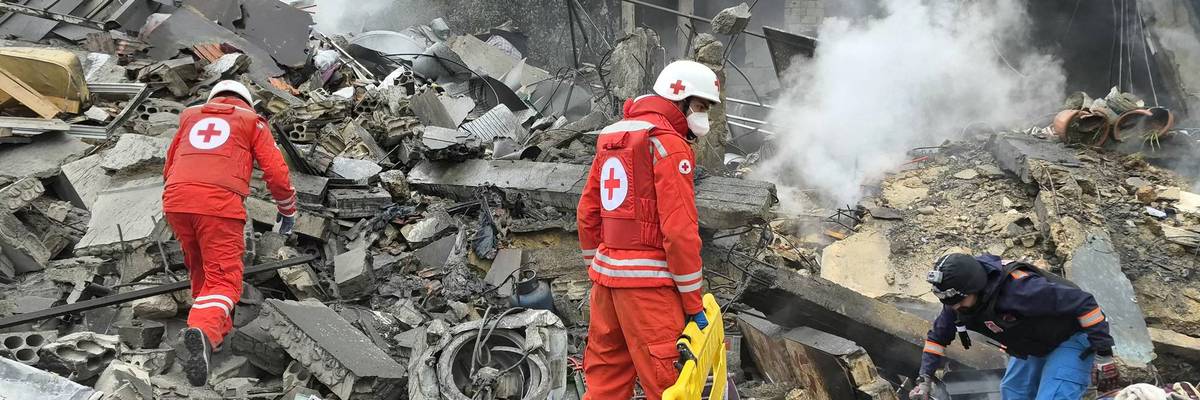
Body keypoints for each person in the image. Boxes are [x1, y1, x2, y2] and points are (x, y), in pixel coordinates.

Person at [575, 59, 720, 400]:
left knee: (605, 382)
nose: (703, 117)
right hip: (648, 290)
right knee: (672, 385)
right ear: (678, 98)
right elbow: (679, 231)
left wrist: (598, 269)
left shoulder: (613, 134)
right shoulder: (667, 144)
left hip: (607, 286)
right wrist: (692, 303)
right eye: (700, 106)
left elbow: (587, 212)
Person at [162, 80, 298, 387]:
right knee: (224, 280)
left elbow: (169, 164)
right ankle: (203, 330)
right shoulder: (252, 121)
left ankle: (215, 338)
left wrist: (179, 196)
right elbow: (277, 173)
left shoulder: (190, 115)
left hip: (176, 199)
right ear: (246, 102)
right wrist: (287, 209)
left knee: (201, 269)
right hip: (219, 203)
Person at [910, 253, 1120, 400]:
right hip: (1033, 345)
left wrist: (1103, 353)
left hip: (1071, 337)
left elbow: (1085, 304)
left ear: (975, 288)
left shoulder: (1021, 290)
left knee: (1054, 396)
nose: (955, 307)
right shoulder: (956, 302)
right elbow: (937, 338)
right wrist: (925, 377)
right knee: (1013, 392)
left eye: (959, 302)